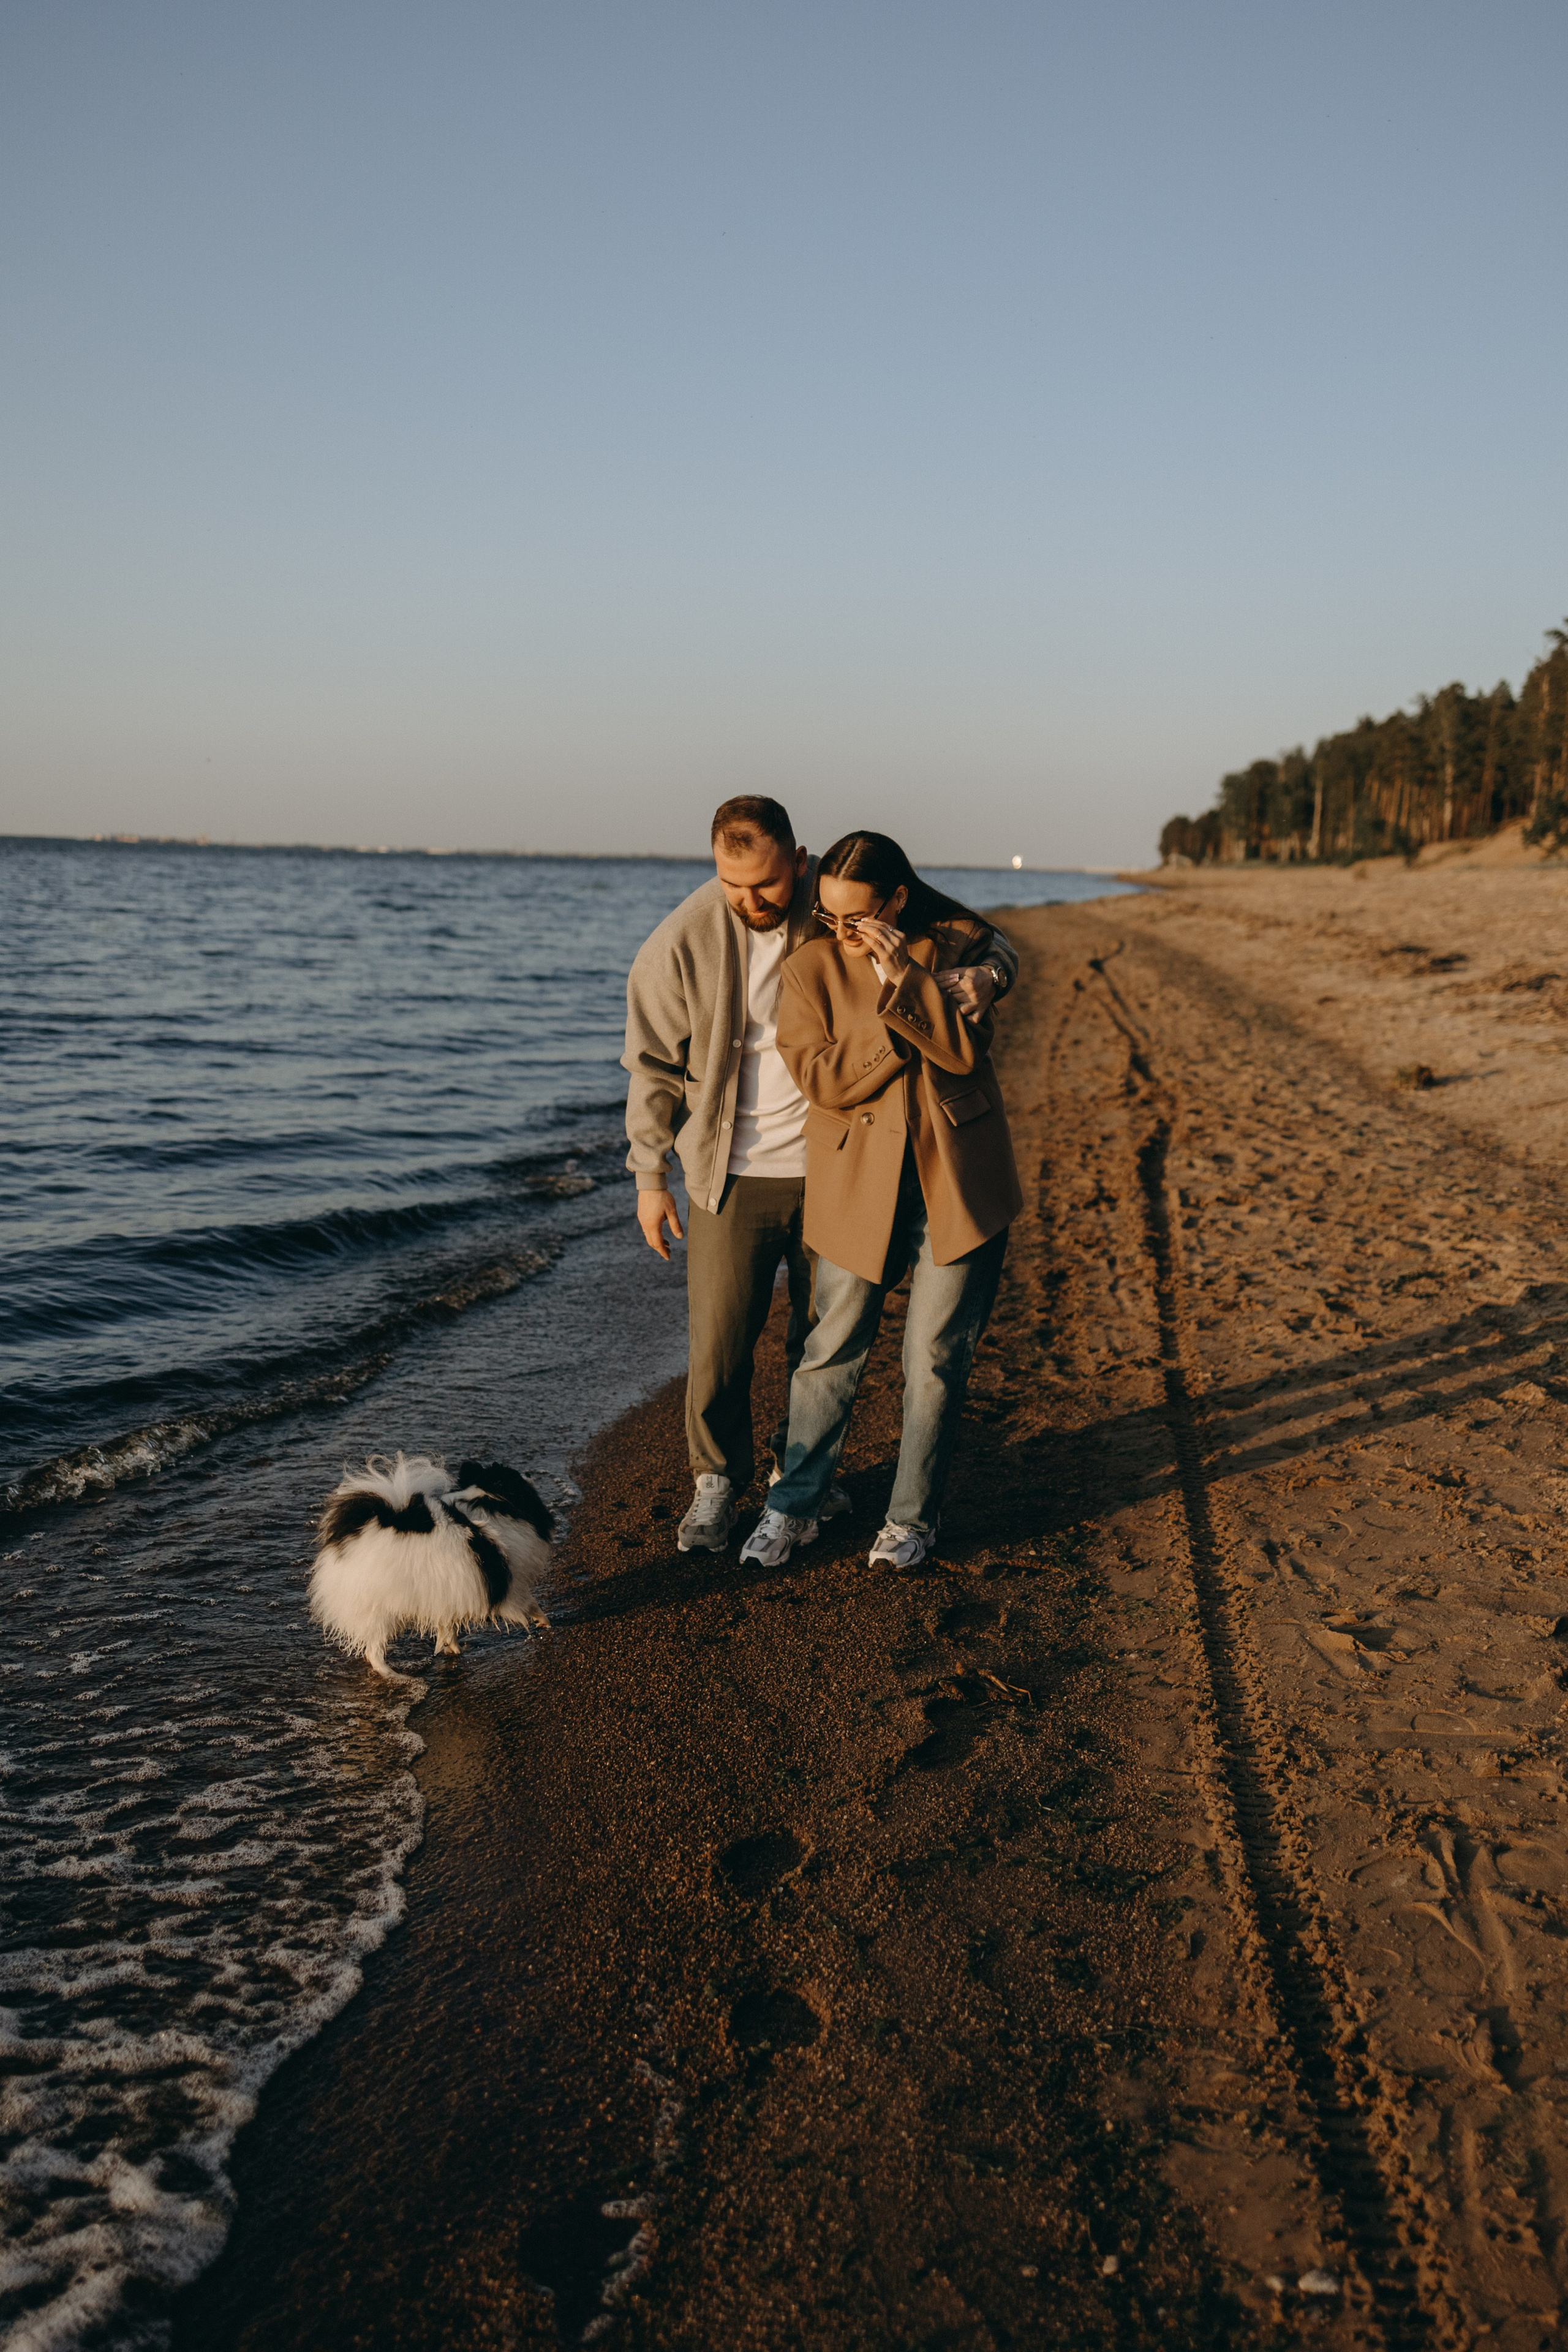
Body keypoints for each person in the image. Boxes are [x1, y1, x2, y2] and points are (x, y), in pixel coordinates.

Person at [624, 797, 1017, 1553]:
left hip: (871, 1172)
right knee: (726, 1343)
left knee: (861, 1346)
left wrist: (990, 973)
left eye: (767, 884)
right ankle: (719, 1483)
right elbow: (655, 1065)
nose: (751, 901)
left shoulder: (847, 908)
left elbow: (984, 954)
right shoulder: (695, 940)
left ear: (797, 863)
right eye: (732, 885)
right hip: (738, 1171)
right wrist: (649, 1174)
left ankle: (831, 1488)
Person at [737, 829, 1023, 1572]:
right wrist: (904, 1016)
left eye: (856, 919)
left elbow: (964, 1053)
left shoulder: (956, 950)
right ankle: (792, 1506)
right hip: (855, 1178)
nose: (840, 933)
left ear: (897, 900)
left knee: (934, 1358)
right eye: (829, 917)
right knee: (829, 1350)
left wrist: (917, 981)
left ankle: (910, 1520)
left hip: (954, 1180)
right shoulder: (809, 968)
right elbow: (824, 1081)